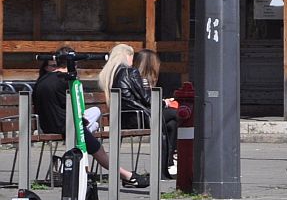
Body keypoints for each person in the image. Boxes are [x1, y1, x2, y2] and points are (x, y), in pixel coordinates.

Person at [34, 48, 148, 189]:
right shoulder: (68, 81)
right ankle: (127, 176)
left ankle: (77, 167)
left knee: (88, 133)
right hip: (66, 125)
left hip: (47, 124)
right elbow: (78, 109)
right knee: (97, 149)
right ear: (74, 65)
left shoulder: (43, 79)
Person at [115, 49, 180, 179]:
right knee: (176, 115)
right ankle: (171, 159)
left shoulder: (136, 77)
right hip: (140, 117)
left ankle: (167, 164)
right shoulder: (141, 79)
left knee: (172, 124)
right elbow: (150, 102)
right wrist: (166, 103)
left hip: (136, 115)